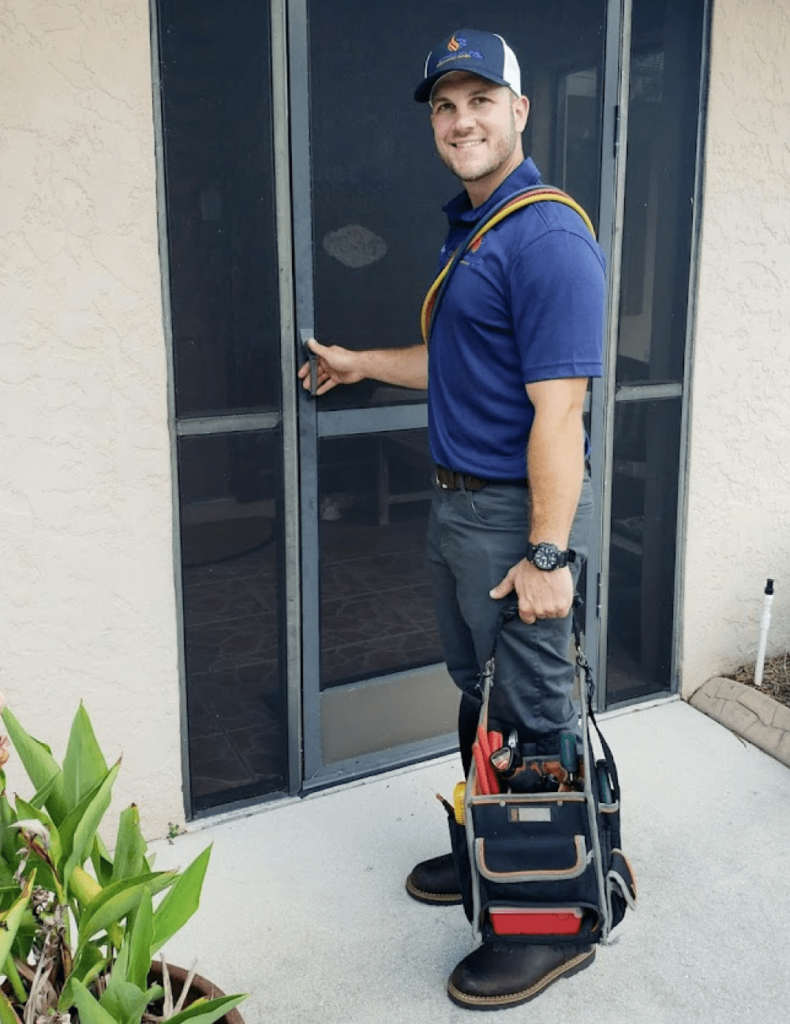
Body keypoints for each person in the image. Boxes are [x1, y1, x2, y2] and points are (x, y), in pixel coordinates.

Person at [299, 28, 606, 1010]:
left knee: (533, 715)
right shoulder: (478, 227)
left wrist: (547, 552)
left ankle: (543, 925)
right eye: (444, 105)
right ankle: (490, 851)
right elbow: (459, 367)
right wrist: (358, 363)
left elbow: (560, 408)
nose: (461, 119)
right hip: (457, 509)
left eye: (481, 99)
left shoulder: (545, 233)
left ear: (520, 111)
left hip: (511, 518)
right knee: (482, 696)